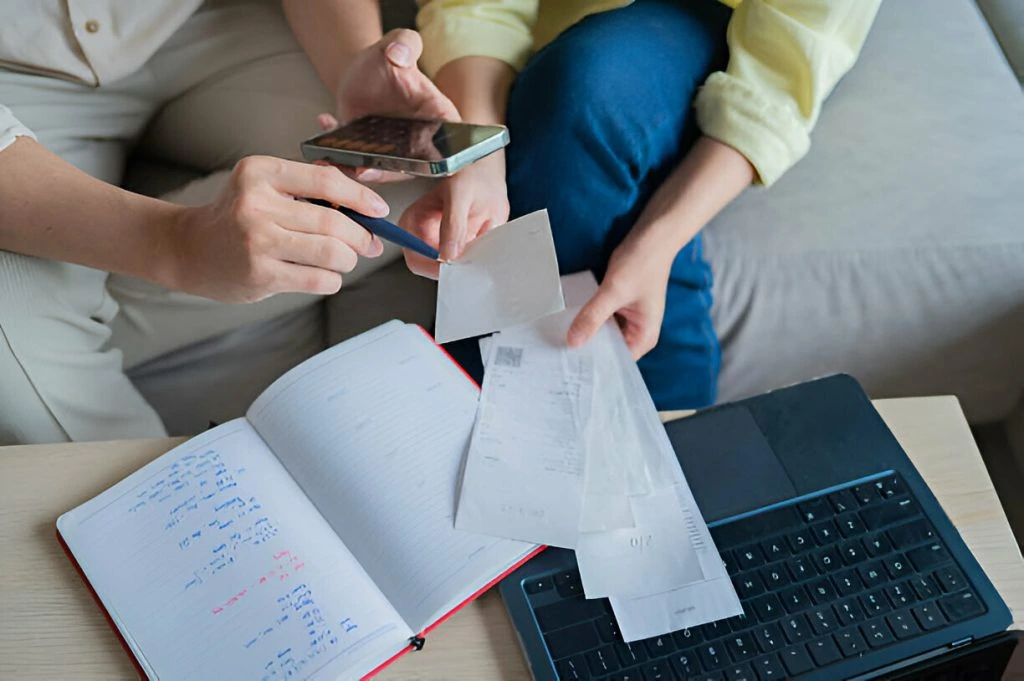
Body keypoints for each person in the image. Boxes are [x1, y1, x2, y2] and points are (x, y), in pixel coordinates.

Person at [0, 0, 456, 444]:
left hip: (204, 20)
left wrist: (350, 62)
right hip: (14, 78)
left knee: (424, 176)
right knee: (21, 387)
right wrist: (174, 246)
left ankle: (88, 296)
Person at [403, 0, 883, 410]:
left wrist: (658, 243)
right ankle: (672, 423)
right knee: (572, 104)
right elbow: (476, 8)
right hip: (550, 38)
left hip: (709, 25)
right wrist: (478, 154)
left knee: (588, 89)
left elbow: (783, 72)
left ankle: (471, 395)